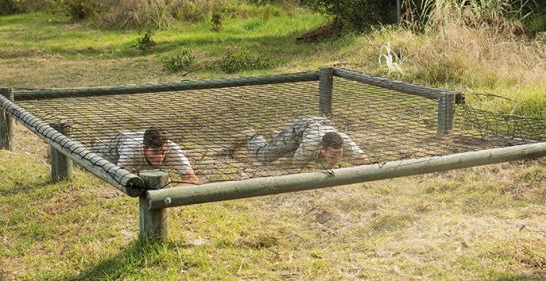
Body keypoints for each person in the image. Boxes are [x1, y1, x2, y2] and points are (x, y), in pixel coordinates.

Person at [229, 116, 369, 168]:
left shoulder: (344, 140)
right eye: (333, 155)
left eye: (340, 154)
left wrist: (334, 161)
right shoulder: (310, 145)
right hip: (300, 131)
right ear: (323, 149)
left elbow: (364, 161)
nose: (338, 158)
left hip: (322, 123)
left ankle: (276, 135)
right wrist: (325, 165)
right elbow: (296, 165)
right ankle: (252, 135)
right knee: (264, 156)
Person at [92, 127, 199, 184]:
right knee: (90, 158)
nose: (160, 157)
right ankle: (96, 143)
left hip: (137, 138)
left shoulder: (172, 149)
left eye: (162, 152)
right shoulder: (131, 150)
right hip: (116, 148)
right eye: (155, 153)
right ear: (145, 148)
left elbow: (192, 179)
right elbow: (119, 180)